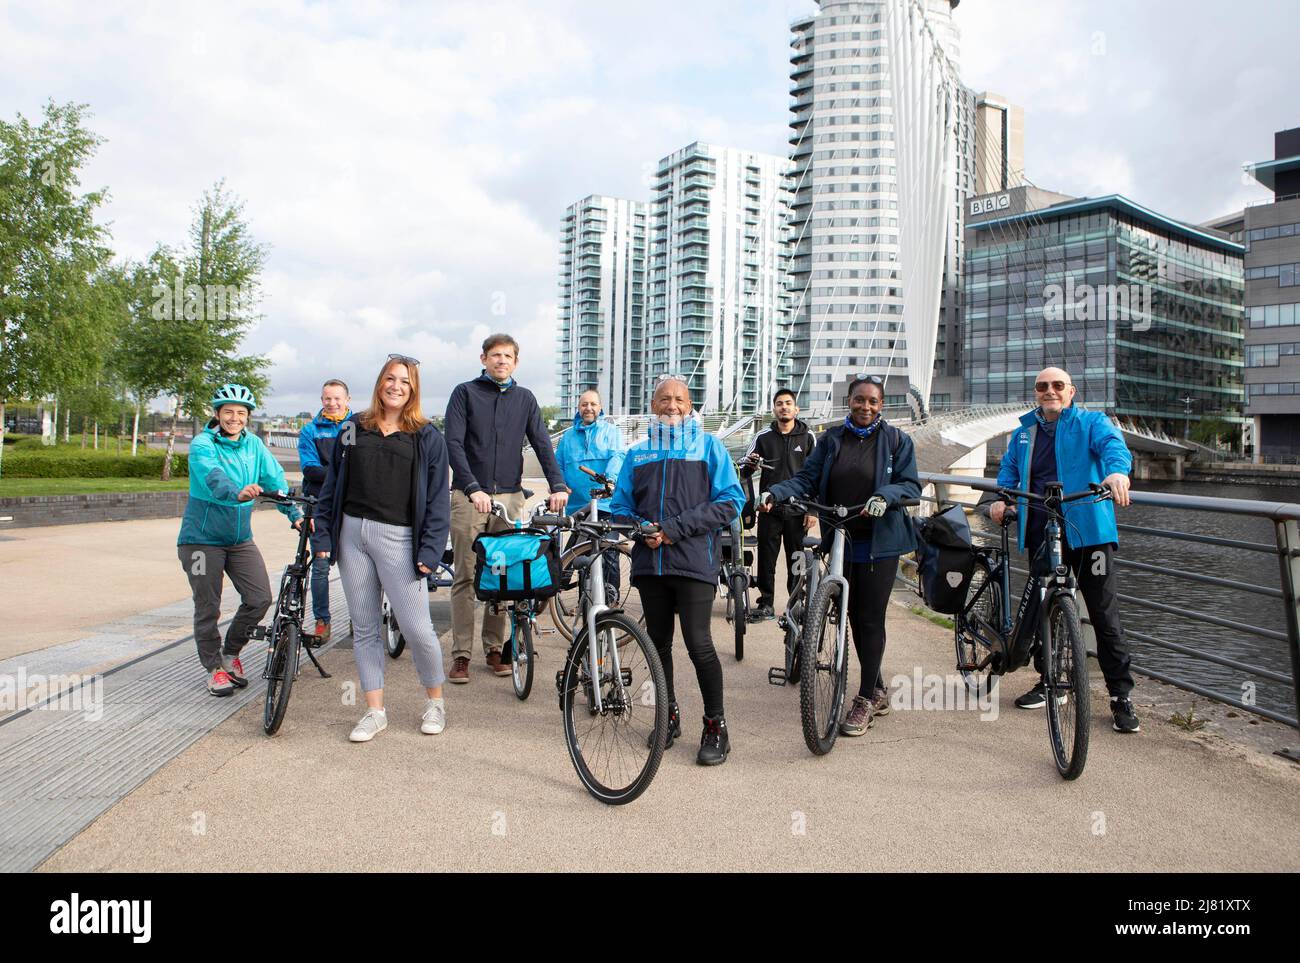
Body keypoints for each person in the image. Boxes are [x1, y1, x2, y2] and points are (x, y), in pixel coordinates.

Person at [764, 374, 921, 736]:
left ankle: (867, 697)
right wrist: (778, 491)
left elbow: (910, 484)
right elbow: (807, 478)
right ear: (849, 401)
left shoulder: (897, 441)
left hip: (879, 542)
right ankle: (876, 683)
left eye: (873, 402)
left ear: (881, 405)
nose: (866, 407)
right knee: (850, 617)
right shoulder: (832, 439)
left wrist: (886, 496)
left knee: (870, 618)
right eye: (859, 400)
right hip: (841, 536)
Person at [989, 366, 1140, 733]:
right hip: (1043, 529)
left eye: (1058, 386)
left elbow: (1113, 448)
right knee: (1046, 610)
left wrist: (1118, 473)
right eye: (1042, 386)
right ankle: (1052, 683)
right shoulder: (1024, 433)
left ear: (1071, 392)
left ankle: (1121, 697)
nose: (1049, 391)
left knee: (1105, 617)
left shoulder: (1091, 422)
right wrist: (1001, 498)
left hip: (1089, 532)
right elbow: (1008, 473)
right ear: (1036, 392)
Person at [312, 355, 452, 743]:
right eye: (390, 379)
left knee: (418, 629)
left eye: (404, 382)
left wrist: (430, 551)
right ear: (379, 383)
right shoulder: (355, 427)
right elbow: (332, 486)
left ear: (413, 390)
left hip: (401, 539)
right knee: (366, 628)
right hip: (352, 535)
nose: (395, 386)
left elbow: (438, 499)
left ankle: (435, 702)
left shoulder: (426, 436)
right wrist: (323, 536)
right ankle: (375, 711)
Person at [609, 377, 747, 766]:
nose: (672, 405)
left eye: (679, 400)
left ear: (690, 406)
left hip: (693, 561)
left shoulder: (709, 447)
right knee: (658, 644)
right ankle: (667, 717)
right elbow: (620, 508)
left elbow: (732, 501)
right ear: (653, 405)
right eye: (664, 399)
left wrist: (674, 528)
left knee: (699, 643)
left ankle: (716, 726)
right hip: (650, 564)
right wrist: (642, 529)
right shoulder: (637, 454)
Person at [443, 334, 568, 683]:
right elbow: (453, 443)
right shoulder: (465, 393)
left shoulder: (525, 398)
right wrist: (472, 488)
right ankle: (462, 655)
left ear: (516, 361)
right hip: (470, 497)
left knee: (502, 575)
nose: (501, 360)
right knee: (466, 575)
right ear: (483, 358)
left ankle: (494, 648)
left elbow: (542, 443)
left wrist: (558, 484)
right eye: (495, 355)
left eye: (508, 356)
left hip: (510, 498)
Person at [177, 384, 302, 697]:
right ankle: (214, 668)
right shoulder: (203, 444)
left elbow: (275, 481)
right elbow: (212, 475)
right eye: (228, 412)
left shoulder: (254, 446)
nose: (234, 418)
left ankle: (231, 653)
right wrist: (236, 491)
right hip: (200, 540)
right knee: (208, 604)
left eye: (241, 413)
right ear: (218, 414)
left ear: (248, 417)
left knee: (259, 597)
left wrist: (295, 514)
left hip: (239, 539)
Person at [740, 388, 817, 622]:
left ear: (796, 409)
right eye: (779, 404)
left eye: (788, 403)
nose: (784, 407)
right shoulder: (763, 437)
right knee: (767, 559)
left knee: (796, 559)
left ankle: (795, 604)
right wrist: (751, 465)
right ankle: (766, 604)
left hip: (798, 510)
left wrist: (812, 509)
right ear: (774, 409)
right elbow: (743, 470)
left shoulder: (808, 437)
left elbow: (817, 475)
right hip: (769, 508)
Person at [555, 388, 626, 597]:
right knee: (582, 556)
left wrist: (610, 479)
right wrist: (559, 484)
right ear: (579, 408)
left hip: (605, 503)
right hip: (578, 506)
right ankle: (585, 600)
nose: (589, 408)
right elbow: (557, 464)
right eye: (584, 404)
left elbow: (618, 456)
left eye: (593, 404)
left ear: (600, 407)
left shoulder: (611, 432)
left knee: (609, 552)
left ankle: (611, 599)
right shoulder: (567, 437)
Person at [297, 379, 352, 644]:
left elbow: (360, 463)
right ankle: (322, 620)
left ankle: (359, 618)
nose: (332, 403)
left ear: (347, 400)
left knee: (357, 567)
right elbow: (309, 469)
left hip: (352, 507)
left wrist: (333, 475)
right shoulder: (310, 431)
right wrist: (342, 476)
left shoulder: (354, 426)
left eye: (337, 398)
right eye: (327, 398)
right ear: (321, 401)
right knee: (320, 565)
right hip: (320, 507)